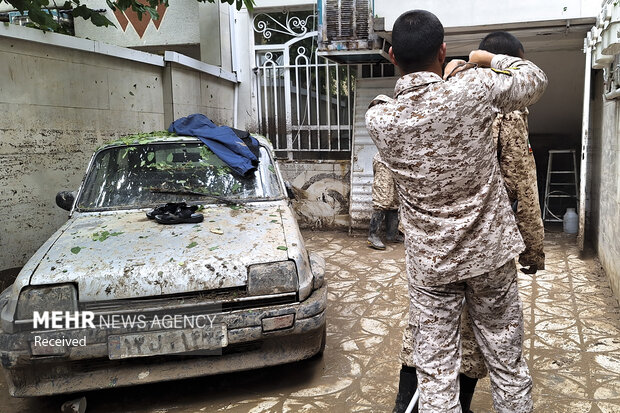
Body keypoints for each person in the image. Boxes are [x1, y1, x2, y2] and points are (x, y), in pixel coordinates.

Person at [365, 10, 547, 413]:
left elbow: (398, 106)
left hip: (432, 266)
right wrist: (484, 59)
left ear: (392, 55)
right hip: (491, 256)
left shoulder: (379, 118)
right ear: (443, 50)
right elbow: (535, 78)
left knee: (435, 373)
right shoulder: (474, 89)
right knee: (507, 365)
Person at [368, 153, 404, 250]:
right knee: (382, 199)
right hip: (384, 160)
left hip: (397, 162)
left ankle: (391, 235)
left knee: (394, 200)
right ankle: (373, 236)